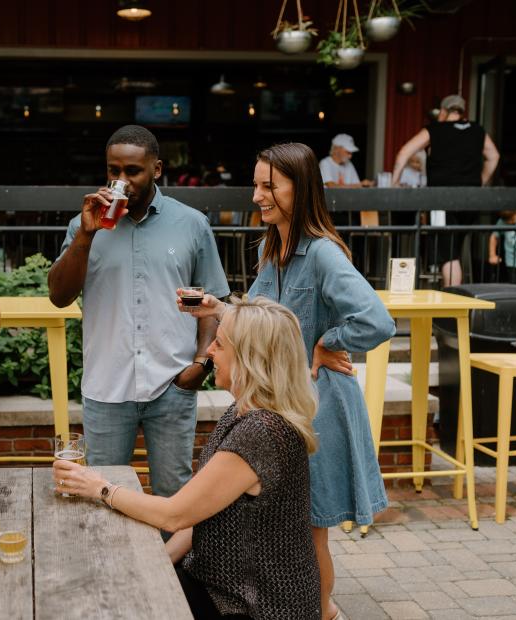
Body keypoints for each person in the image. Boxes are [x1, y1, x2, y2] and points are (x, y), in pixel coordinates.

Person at [187, 143, 394, 620]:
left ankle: (322, 612)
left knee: (310, 529)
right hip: (285, 408)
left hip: (320, 408)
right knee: (294, 528)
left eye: (268, 186)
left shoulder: (322, 254)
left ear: (298, 190)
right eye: (256, 184)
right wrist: (216, 308)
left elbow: (377, 322)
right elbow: (263, 319)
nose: (257, 195)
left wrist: (327, 340)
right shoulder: (270, 246)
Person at [53, 295, 321, 620]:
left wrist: (101, 489)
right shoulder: (242, 411)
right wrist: (158, 565)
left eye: (220, 344)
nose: (209, 351)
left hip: (253, 604)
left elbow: (174, 515)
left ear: (250, 357)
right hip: (217, 583)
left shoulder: (261, 433)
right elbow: (197, 516)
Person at [48, 125, 229, 501]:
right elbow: (59, 296)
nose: (121, 181)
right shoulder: (84, 227)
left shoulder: (192, 224)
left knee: (174, 492)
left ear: (157, 169)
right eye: (113, 171)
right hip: (107, 387)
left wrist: (201, 364)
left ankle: (173, 563)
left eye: (133, 171)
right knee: (100, 492)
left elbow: (211, 301)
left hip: (171, 383)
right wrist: (85, 236)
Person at [391, 94, 501, 286]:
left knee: (447, 254)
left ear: (443, 112)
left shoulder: (434, 129)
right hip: (471, 200)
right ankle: (455, 297)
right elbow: (494, 156)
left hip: (441, 199)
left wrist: (394, 184)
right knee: (455, 249)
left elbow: (404, 152)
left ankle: (452, 302)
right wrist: (480, 181)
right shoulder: (477, 130)